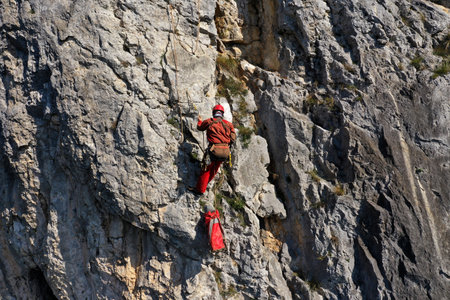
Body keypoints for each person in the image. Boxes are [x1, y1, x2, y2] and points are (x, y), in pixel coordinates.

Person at [189, 104, 236, 195]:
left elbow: (200, 128)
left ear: (214, 113)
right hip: (225, 151)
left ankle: (200, 189)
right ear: (222, 114)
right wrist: (225, 143)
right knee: (215, 168)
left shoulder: (209, 121)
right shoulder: (229, 124)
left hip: (214, 150)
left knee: (206, 169)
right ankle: (205, 184)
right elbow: (233, 138)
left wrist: (199, 121)